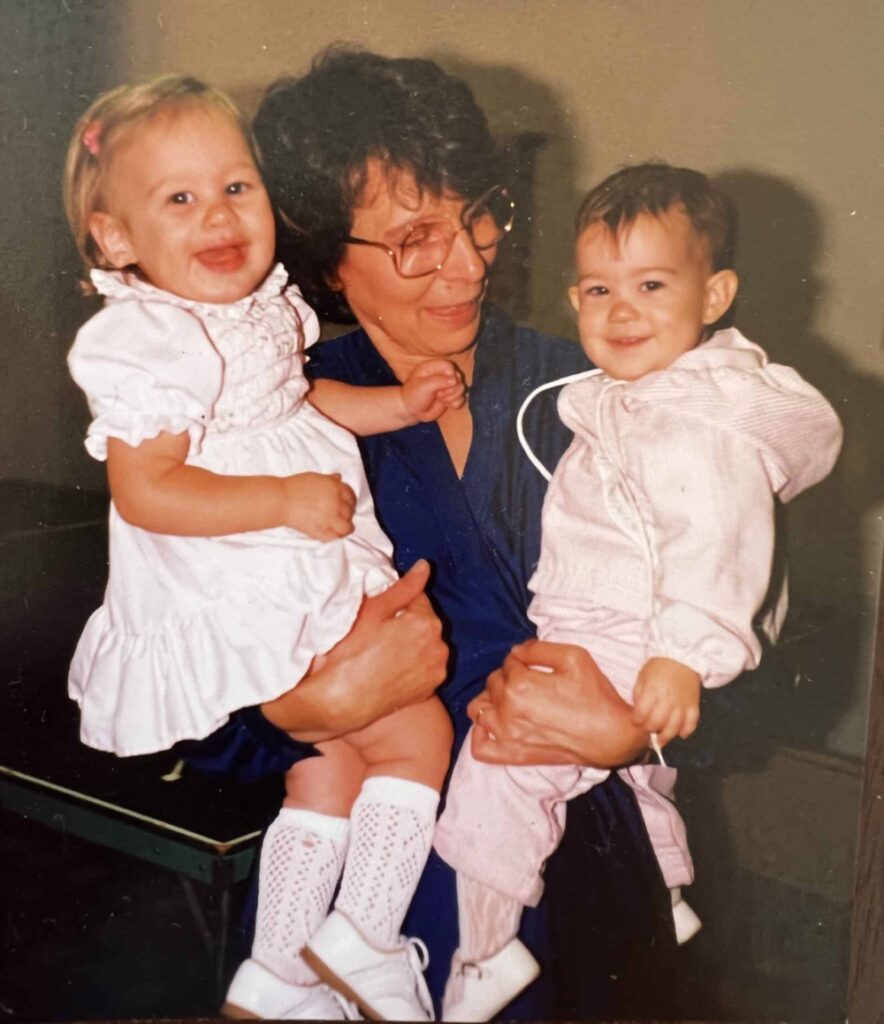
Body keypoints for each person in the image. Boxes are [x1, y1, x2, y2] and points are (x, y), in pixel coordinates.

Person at [252, 49, 681, 1020]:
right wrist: (292, 711)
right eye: (413, 237)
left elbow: (733, 621)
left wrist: (635, 724)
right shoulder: (262, 420)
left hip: (589, 885)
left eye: (478, 212)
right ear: (324, 255)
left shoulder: (595, 387)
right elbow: (185, 686)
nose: (467, 260)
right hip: (371, 911)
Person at [63, 73, 478, 1021]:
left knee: (326, 770)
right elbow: (148, 488)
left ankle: (282, 974)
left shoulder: (258, 316)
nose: (217, 214)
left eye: (236, 186)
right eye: (179, 198)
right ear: (116, 238)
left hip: (286, 567)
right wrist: (284, 499)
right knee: (414, 734)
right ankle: (365, 942)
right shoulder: (150, 343)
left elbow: (298, 403)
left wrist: (398, 405)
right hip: (245, 574)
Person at [432, 162, 844, 1018]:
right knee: (630, 783)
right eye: (596, 290)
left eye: (651, 285)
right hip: (599, 625)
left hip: (632, 630)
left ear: (717, 293)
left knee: (499, 771)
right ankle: (669, 896)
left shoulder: (695, 417)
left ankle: (482, 954)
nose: (620, 311)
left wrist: (684, 654)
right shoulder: (627, 397)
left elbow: (721, 542)